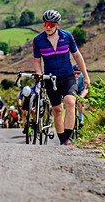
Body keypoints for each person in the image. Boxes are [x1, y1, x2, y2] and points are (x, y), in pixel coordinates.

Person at [32, 9, 91, 145]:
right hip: (50, 78)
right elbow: (36, 60)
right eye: (45, 23)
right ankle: (63, 140)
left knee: (70, 102)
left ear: (57, 24)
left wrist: (86, 75)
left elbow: (77, 56)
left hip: (67, 76)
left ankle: (67, 138)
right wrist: (39, 74)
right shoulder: (38, 40)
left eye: (51, 24)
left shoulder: (67, 37)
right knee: (57, 110)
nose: (48, 27)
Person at [73, 63, 89, 128]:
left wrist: (81, 96)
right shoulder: (70, 77)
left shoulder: (82, 77)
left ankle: (80, 119)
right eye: (75, 73)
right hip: (73, 91)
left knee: (79, 101)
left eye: (78, 73)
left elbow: (86, 89)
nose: (76, 75)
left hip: (80, 91)